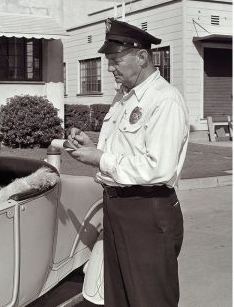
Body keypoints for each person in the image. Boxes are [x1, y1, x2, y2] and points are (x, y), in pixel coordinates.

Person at [68, 18, 189, 307]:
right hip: (118, 207)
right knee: (119, 298)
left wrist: (100, 158)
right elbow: (124, 149)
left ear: (142, 56)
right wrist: (93, 147)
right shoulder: (124, 98)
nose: (110, 68)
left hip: (147, 210)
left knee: (150, 299)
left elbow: (158, 167)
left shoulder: (164, 100)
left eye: (115, 60)